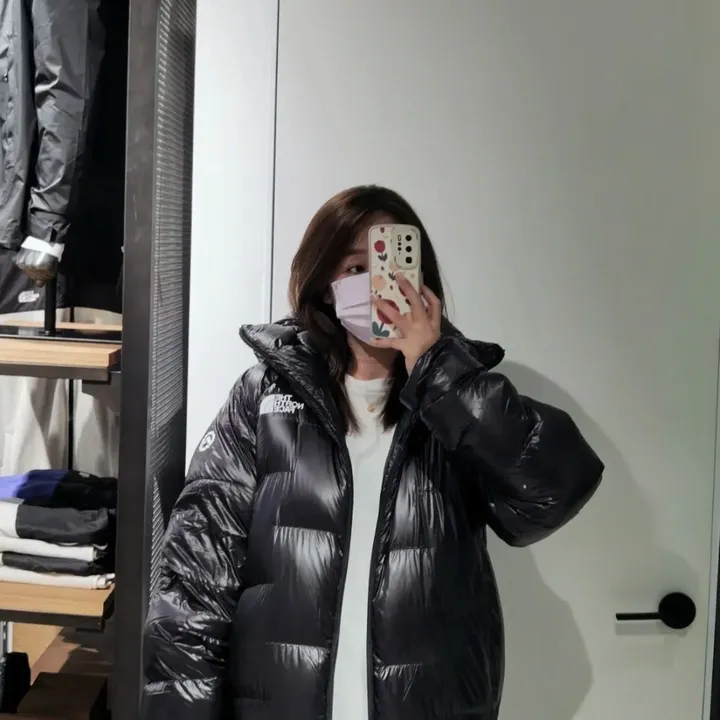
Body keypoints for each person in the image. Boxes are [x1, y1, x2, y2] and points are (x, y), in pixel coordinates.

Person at [141, 185, 603, 720]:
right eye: (355, 267)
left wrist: (437, 367)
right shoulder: (264, 396)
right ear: (325, 286)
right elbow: (196, 581)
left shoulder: (458, 400)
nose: (376, 285)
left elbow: (552, 493)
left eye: (390, 264)